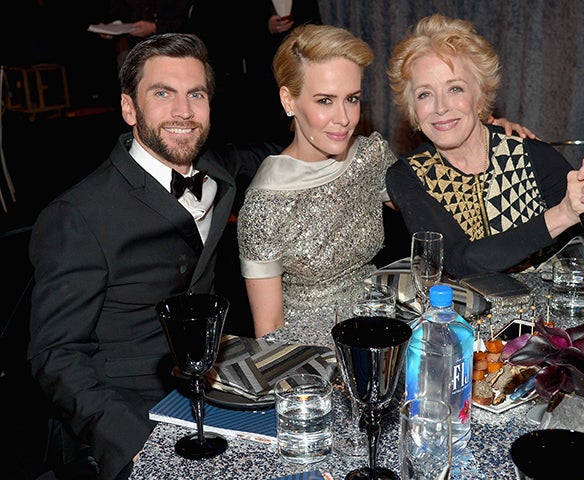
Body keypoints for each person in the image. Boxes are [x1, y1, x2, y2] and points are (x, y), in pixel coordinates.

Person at [27, 33, 279, 480]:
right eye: (163, 94)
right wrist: (136, 448)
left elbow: (273, 155)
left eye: (195, 94)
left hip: (209, 393)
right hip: (127, 417)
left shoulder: (217, 171)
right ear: (129, 109)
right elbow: (56, 356)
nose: (183, 111)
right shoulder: (78, 215)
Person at [236, 24, 531, 339]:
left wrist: (484, 136)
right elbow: (269, 332)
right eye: (325, 101)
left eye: (352, 99)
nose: (344, 118)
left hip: (380, 324)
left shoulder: (368, 156)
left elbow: (440, 201)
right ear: (289, 100)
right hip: (314, 347)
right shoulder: (265, 205)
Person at [386, 13, 584, 279]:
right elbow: (459, 262)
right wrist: (563, 215)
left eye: (455, 89)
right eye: (425, 94)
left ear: (480, 97)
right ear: (413, 111)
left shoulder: (530, 154)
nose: (440, 107)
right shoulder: (409, 175)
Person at [187, 1, 322, 147]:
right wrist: (265, 27)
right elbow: (228, 30)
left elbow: (313, 21)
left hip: (294, 66)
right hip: (253, 74)